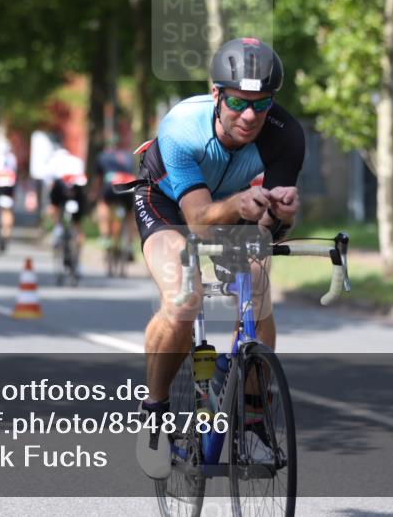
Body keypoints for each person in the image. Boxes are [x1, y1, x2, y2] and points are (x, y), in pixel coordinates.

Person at [130, 38, 305, 479]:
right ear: (215, 94)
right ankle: (155, 412)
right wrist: (243, 204)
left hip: (233, 202)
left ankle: (250, 417)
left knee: (259, 285)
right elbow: (201, 222)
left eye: (261, 104)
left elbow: (270, 228)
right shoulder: (181, 129)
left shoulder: (286, 135)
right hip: (168, 201)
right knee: (183, 297)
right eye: (237, 102)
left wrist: (281, 215)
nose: (249, 116)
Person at [95, 136, 136, 251]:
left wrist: (96, 193)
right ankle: (130, 243)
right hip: (128, 185)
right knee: (129, 213)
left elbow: (98, 179)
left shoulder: (102, 156)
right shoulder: (128, 156)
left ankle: (105, 235)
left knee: (103, 203)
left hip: (112, 185)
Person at [45, 144, 88, 246]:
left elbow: (48, 178)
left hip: (61, 186)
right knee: (77, 220)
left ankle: (57, 228)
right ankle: (78, 239)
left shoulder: (54, 160)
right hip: (77, 188)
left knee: (54, 206)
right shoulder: (77, 160)